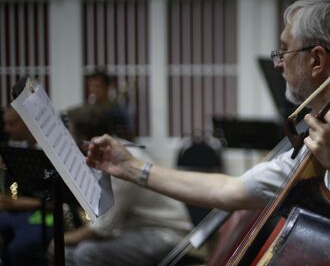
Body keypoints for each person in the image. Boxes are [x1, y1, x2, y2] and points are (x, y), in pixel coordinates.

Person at [86, 0, 330, 266]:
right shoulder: (314, 136)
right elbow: (230, 189)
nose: (278, 62)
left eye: (284, 50)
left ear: (317, 60)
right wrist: (130, 168)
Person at [50, 104, 192, 266]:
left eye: (70, 132)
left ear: (84, 141)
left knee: (86, 252)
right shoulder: (108, 150)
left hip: (166, 235)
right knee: (67, 254)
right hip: (137, 229)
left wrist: (61, 240)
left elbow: (102, 229)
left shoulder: (118, 162)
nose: (67, 136)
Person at [0, 105, 51, 266]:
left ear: (28, 121)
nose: (7, 129)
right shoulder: (17, 148)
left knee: (19, 248)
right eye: (5, 124)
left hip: (48, 215)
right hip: (25, 211)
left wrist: (14, 203)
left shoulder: (47, 150)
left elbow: (56, 202)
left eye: (12, 123)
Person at [85, 70, 133, 140]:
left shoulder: (119, 111)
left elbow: (127, 136)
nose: (93, 90)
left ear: (107, 87)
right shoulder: (87, 110)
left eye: (97, 86)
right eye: (91, 86)